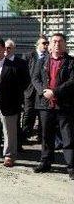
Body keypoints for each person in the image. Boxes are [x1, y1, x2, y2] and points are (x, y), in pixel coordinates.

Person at [31, 33, 74, 180]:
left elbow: (71, 82)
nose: (57, 44)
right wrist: (43, 91)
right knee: (46, 135)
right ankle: (46, 162)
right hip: (45, 105)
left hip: (64, 106)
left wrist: (54, 91)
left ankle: (71, 167)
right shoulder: (42, 61)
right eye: (54, 41)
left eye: (60, 41)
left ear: (65, 44)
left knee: (67, 136)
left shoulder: (71, 62)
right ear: (49, 45)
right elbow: (35, 78)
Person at [0, 38, 28, 167]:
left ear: (4, 50)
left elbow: (24, 83)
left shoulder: (14, 65)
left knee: (9, 130)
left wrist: (16, 99)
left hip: (8, 102)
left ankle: (9, 156)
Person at [21, 36, 49, 145]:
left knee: (42, 114)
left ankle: (41, 137)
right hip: (30, 90)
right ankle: (25, 136)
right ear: (37, 45)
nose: (46, 45)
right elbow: (23, 73)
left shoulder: (49, 57)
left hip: (43, 91)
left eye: (47, 43)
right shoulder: (28, 56)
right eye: (43, 43)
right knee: (28, 113)